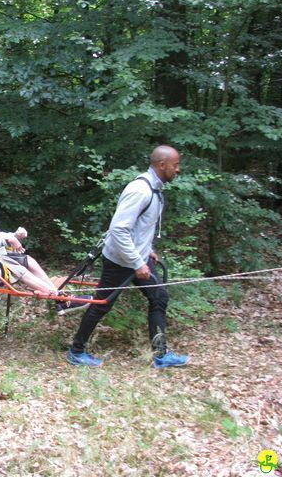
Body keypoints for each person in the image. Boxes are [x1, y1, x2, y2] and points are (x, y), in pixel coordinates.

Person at [66, 145, 190, 369]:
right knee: (101, 305)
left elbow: (140, 227)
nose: (178, 170)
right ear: (162, 165)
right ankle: (76, 351)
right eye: (176, 165)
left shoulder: (155, 189)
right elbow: (119, 230)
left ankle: (160, 356)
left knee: (159, 298)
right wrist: (136, 262)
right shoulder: (140, 190)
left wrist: (148, 248)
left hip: (137, 257)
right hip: (120, 260)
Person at [0, 167, 88, 314]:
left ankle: (58, 297)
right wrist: (8, 240)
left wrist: (13, 235)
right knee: (20, 269)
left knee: (29, 261)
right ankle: (61, 299)